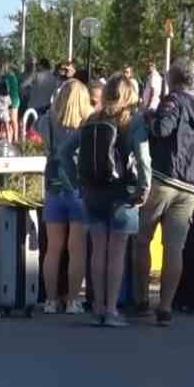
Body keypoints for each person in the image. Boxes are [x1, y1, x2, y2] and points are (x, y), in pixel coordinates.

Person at [57, 76, 151, 328]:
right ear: (129, 94)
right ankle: (111, 310)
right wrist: (144, 187)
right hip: (123, 194)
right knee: (117, 253)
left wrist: (78, 182)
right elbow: (143, 159)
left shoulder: (92, 119)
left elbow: (64, 152)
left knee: (98, 250)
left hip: (93, 192)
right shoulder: (132, 121)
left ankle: (97, 306)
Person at [134, 63, 194, 325]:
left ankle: (140, 301)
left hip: (163, 178)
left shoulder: (174, 101)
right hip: (191, 186)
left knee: (141, 240)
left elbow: (162, 129)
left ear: (173, 79)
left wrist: (148, 116)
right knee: (174, 248)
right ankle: (166, 307)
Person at [36, 80, 95, 314]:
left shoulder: (47, 121)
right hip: (79, 188)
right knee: (77, 249)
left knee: (53, 248)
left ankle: (50, 300)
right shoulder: (87, 123)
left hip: (53, 186)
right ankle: (72, 300)